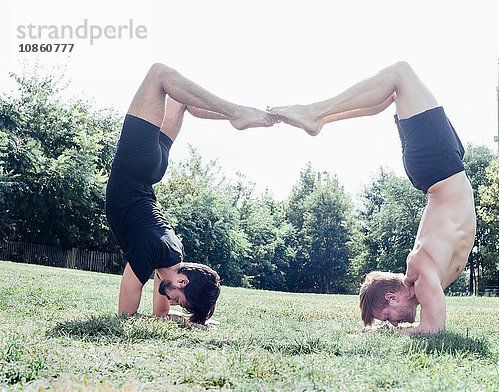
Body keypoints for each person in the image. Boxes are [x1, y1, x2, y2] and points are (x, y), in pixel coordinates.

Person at [268, 61, 476, 334]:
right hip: (446, 170)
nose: (394, 322)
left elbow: (432, 330)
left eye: (387, 316)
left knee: (400, 74)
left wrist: (387, 332)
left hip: (439, 170)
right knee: (393, 92)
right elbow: (433, 329)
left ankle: (316, 115)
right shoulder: (424, 282)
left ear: (392, 297)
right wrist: (390, 331)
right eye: (388, 321)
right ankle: (319, 119)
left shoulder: (421, 274)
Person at [106, 63, 278, 326]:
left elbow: (159, 316)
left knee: (178, 101)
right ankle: (236, 112)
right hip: (134, 165)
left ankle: (240, 114)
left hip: (152, 168)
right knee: (159, 74)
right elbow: (124, 317)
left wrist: (191, 321)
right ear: (183, 281)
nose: (171, 302)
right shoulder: (148, 255)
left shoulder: (173, 255)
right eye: (179, 300)